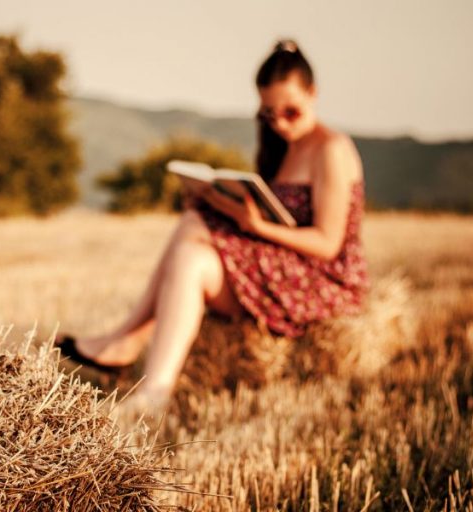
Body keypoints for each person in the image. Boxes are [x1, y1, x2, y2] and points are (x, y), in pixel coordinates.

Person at [56, 38, 370, 416]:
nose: (282, 123)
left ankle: (128, 338)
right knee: (192, 246)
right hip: (283, 265)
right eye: (271, 114)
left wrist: (252, 224)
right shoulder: (285, 149)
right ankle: (155, 389)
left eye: (291, 111)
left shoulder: (331, 149)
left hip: (320, 279)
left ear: (313, 93)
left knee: (194, 226)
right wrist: (216, 201)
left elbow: (327, 244)